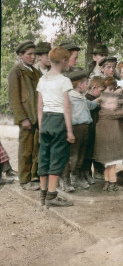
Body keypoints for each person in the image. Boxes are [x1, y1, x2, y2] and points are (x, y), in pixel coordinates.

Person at [37, 46, 75, 207]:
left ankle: (43, 194)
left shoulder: (43, 79)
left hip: (45, 120)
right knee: (57, 157)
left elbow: (39, 105)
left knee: (44, 156)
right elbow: (66, 107)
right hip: (59, 120)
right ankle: (52, 196)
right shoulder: (64, 81)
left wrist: (41, 126)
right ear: (64, 61)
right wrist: (70, 131)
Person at [59, 70, 100, 192]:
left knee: (81, 154)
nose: (87, 85)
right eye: (86, 83)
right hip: (75, 129)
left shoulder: (81, 97)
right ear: (79, 84)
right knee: (72, 155)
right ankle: (65, 179)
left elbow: (90, 105)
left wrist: (101, 99)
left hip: (85, 128)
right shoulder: (70, 97)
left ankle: (75, 177)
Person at [8, 40, 41, 190]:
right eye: (29, 54)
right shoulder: (16, 72)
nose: (33, 57)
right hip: (27, 118)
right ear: (21, 55)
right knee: (25, 149)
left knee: (36, 148)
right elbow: (14, 99)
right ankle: (24, 180)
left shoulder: (36, 72)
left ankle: (34, 175)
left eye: (34, 54)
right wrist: (23, 118)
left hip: (37, 116)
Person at [93, 93, 123, 192]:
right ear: (102, 105)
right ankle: (113, 184)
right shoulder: (109, 113)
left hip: (105, 143)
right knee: (112, 165)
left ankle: (107, 183)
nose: (112, 105)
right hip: (110, 143)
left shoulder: (103, 112)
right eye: (109, 103)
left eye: (114, 103)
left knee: (107, 165)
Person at [84, 76, 105, 181]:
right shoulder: (86, 98)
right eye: (101, 91)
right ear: (94, 87)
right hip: (90, 129)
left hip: (97, 128)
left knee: (96, 151)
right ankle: (87, 174)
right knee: (88, 153)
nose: (102, 93)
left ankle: (97, 172)